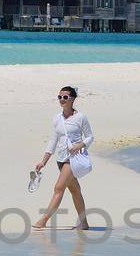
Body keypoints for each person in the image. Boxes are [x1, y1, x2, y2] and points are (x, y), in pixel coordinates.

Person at [32, 86, 94, 232]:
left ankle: (43, 220)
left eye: (65, 97)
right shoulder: (57, 118)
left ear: (73, 99)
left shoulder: (80, 117)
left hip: (72, 159)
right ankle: (84, 223)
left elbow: (90, 137)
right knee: (75, 191)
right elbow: (53, 141)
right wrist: (43, 162)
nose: (62, 100)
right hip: (61, 159)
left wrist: (79, 145)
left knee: (58, 188)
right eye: (59, 97)